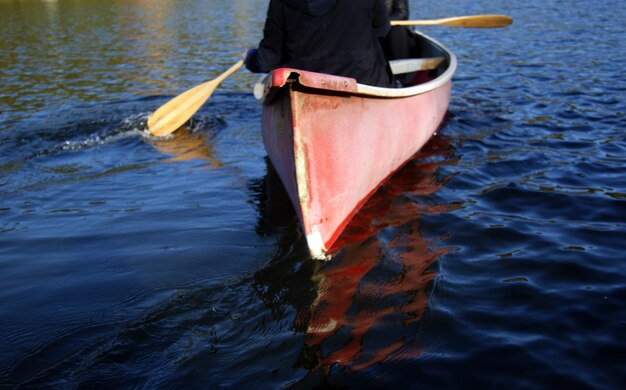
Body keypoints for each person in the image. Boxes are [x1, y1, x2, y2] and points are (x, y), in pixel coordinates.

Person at [244, 0, 394, 88]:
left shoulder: (280, 2)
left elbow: (267, 62)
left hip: (303, 86)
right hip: (363, 81)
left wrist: (251, 58)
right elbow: (382, 30)